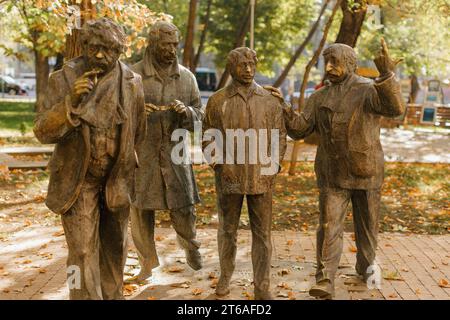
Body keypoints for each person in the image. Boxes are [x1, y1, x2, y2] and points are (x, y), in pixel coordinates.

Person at [280, 39, 405, 299]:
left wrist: (386, 74)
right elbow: (301, 128)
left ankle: (366, 265)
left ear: (350, 63)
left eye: (334, 61)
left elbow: (396, 109)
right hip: (332, 173)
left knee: (367, 226)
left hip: (366, 170)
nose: (328, 67)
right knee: (328, 226)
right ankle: (325, 279)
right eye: (327, 62)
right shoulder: (320, 96)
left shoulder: (369, 90)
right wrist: (283, 108)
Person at [33, 18, 146, 300]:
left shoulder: (132, 83)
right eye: (94, 48)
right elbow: (42, 131)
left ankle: (113, 295)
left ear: (119, 50)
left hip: (116, 178)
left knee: (114, 249)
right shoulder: (63, 79)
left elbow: (138, 130)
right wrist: (69, 103)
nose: (99, 55)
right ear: (84, 46)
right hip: (77, 179)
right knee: (81, 251)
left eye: (107, 49)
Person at [202, 47, 287, 300]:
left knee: (263, 235)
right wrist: (219, 164)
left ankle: (262, 286)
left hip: (262, 178)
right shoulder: (217, 101)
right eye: (242, 65)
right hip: (229, 177)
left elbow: (280, 136)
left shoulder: (269, 100)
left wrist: (274, 166)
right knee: (227, 231)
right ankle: (225, 277)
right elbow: (208, 137)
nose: (248, 69)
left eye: (251, 64)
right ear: (232, 69)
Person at [128, 21, 203, 283]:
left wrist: (188, 112)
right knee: (139, 211)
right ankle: (147, 264)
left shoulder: (187, 77)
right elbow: (117, 116)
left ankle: (191, 246)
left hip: (176, 155)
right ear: (153, 43)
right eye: (166, 44)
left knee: (183, 208)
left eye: (174, 44)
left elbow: (200, 119)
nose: (171, 49)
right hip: (143, 156)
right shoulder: (133, 75)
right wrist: (137, 114)